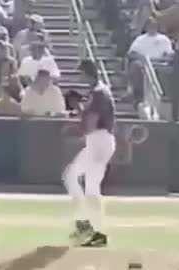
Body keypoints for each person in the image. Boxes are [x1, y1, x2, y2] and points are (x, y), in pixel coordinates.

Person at [63, 59, 116, 247]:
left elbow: (91, 123)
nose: (80, 78)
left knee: (91, 186)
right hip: (99, 140)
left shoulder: (97, 93)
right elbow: (90, 119)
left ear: (87, 74)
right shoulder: (100, 91)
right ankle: (85, 224)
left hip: (99, 140)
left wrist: (74, 132)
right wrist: (79, 109)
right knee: (72, 176)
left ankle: (98, 232)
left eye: (81, 74)